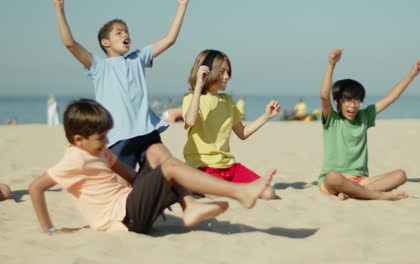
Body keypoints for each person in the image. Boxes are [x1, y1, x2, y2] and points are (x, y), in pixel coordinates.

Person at [29, 99, 274, 235]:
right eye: (100, 138)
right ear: (78, 140)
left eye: (106, 136)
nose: (106, 142)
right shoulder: (74, 159)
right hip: (125, 219)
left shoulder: (101, 151)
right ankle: (240, 192)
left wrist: (152, 194)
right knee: (167, 167)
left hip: (132, 205)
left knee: (155, 151)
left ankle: (188, 206)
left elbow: (132, 178)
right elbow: (35, 188)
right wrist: (50, 229)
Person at [52, 0, 189, 170]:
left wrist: (182, 6)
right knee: (123, 187)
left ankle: (186, 197)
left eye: (127, 32)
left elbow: (169, 40)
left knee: (164, 177)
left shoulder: (138, 58)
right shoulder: (99, 66)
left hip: (147, 132)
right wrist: (59, 8)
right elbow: (70, 44)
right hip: (118, 137)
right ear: (105, 42)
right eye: (119, 33)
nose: (126, 35)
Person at [318, 48, 420, 201]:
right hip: (334, 181)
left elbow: (390, 98)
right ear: (337, 102)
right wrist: (331, 64)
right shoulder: (332, 120)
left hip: (361, 180)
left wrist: (413, 74)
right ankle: (378, 195)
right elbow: (323, 96)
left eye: (357, 101)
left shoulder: (364, 116)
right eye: (347, 100)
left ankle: (352, 192)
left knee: (400, 175)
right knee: (333, 176)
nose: (353, 106)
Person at [182, 50, 280, 200]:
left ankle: (220, 188)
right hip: (202, 167)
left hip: (229, 167)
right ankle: (194, 185)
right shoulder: (191, 98)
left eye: (228, 72)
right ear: (207, 72)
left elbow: (243, 133)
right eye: (222, 72)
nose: (227, 77)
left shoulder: (227, 101)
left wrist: (266, 116)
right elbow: (191, 121)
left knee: (269, 193)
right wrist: (198, 87)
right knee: (218, 195)